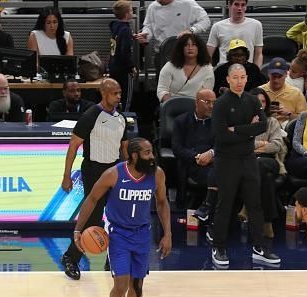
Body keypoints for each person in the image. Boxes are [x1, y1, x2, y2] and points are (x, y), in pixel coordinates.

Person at [73, 137, 171, 297]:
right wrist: (78, 230)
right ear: (134, 156)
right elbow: (92, 198)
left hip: (143, 233)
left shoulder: (157, 174)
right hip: (118, 233)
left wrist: (167, 234)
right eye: (147, 153)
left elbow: (162, 202)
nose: (152, 157)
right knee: (121, 284)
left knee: (137, 287)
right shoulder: (113, 174)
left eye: (151, 152)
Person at [210, 63, 280, 266]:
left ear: (247, 79)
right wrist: (248, 130)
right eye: (236, 78)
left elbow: (262, 125)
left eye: (243, 77)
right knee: (225, 203)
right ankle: (219, 246)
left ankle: (259, 246)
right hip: (227, 160)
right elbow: (220, 134)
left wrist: (237, 129)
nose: (239, 81)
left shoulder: (252, 100)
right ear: (228, 80)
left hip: (248, 159)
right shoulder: (222, 103)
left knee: (254, 204)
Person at [60, 78, 129, 280]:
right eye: (114, 93)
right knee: (93, 218)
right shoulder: (91, 115)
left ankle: (113, 259)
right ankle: (70, 258)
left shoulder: (121, 118)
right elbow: (73, 145)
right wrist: (66, 176)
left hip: (115, 170)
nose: (118, 96)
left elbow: (124, 148)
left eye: (119, 93)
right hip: (93, 170)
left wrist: (127, 174)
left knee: (119, 217)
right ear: (103, 93)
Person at [134, 0, 210, 75]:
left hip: (184, 54)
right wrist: (146, 35)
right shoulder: (153, 7)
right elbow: (148, 26)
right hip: (162, 54)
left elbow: (205, 21)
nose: (158, 1)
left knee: (185, 83)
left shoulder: (187, 3)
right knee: (163, 84)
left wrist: (191, 30)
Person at [172, 89, 216, 208]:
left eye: (214, 102)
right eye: (207, 102)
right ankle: (205, 208)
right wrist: (197, 157)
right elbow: (177, 148)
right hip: (192, 163)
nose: (211, 106)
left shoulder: (218, 121)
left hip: (215, 162)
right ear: (197, 102)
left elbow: (223, 144)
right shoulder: (181, 121)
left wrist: (211, 154)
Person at [250, 87, 285, 238]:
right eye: (258, 101)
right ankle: (267, 223)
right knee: (267, 180)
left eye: (264, 101)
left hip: (271, 161)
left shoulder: (272, 122)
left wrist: (254, 146)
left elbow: (276, 146)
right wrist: (263, 143)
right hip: (246, 161)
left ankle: (246, 207)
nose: (261, 104)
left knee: (259, 165)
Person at [157, 33, 214, 102]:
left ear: (199, 48)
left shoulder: (207, 69)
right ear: (181, 48)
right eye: (186, 45)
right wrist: (171, 103)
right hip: (172, 106)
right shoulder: (170, 66)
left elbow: (207, 95)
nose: (190, 48)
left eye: (193, 45)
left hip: (196, 107)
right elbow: (161, 90)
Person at [207, 0, 263, 67]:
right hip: (224, 70)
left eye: (243, 5)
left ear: (246, 7)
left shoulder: (256, 25)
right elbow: (208, 54)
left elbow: (258, 54)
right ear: (229, 6)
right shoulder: (217, 26)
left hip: (247, 70)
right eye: (236, 4)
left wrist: (257, 72)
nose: (240, 8)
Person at [260, 57, 307, 126]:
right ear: (268, 74)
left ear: (286, 74)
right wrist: (265, 113)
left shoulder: (296, 93)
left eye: (279, 76)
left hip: (287, 131)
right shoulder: (260, 92)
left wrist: (289, 114)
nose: (276, 80)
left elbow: (305, 119)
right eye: (274, 76)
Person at [109, 0, 136, 112]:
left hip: (113, 66)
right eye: (131, 10)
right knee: (125, 97)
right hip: (123, 70)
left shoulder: (115, 27)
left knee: (114, 96)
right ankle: (125, 116)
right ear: (127, 14)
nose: (133, 12)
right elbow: (125, 51)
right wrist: (131, 67)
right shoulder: (126, 30)